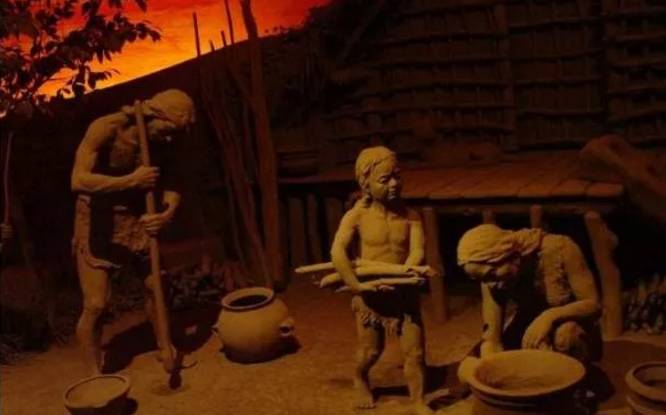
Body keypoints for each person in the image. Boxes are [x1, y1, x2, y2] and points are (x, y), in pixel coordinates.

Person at [70, 89, 195, 374]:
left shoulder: (164, 141)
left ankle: (166, 346)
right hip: (97, 222)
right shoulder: (106, 128)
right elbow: (78, 180)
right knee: (96, 304)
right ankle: (94, 374)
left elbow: (173, 180)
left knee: (157, 285)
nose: (170, 139)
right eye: (168, 131)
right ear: (153, 115)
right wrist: (131, 181)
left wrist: (166, 214)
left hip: (137, 219)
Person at [330, 146, 434, 415]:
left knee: (416, 353)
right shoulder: (357, 216)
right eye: (385, 180)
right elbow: (337, 251)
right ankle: (360, 376)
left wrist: (407, 270)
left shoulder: (411, 217)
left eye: (397, 176)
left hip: (404, 296)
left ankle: (418, 400)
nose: (394, 184)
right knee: (370, 352)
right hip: (371, 298)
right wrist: (356, 285)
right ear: (365, 184)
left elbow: (417, 250)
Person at [457, 224, 601, 362]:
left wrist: (549, 317)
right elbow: (492, 339)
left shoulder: (562, 249)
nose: (490, 285)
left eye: (492, 274)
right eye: (483, 279)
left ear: (508, 255)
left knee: (565, 337)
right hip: (530, 325)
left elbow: (593, 304)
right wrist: (490, 363)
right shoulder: (491, 281)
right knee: (481, 356)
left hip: (571, 325)